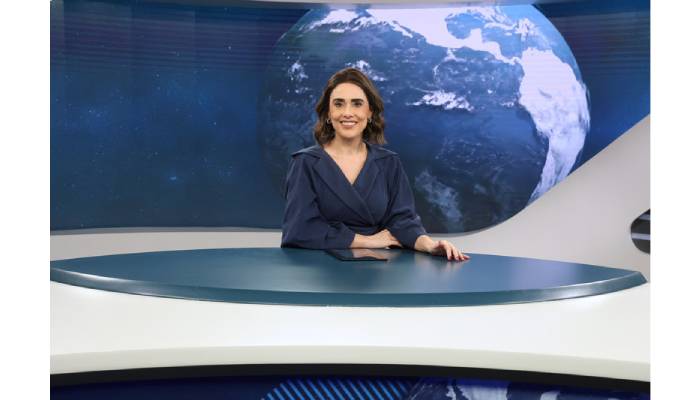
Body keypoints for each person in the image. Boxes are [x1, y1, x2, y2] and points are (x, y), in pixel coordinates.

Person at [281, 68, 468, 261]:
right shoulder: (305, 163)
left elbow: (403, 222)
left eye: (357, 104)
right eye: (338, 104)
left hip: (375, 266)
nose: (347, 113)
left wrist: (430, 245)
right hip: (319, 266)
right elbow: (299, 230)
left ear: (369, 112)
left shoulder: (389, 163)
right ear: (328, 112)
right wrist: (366, 241)